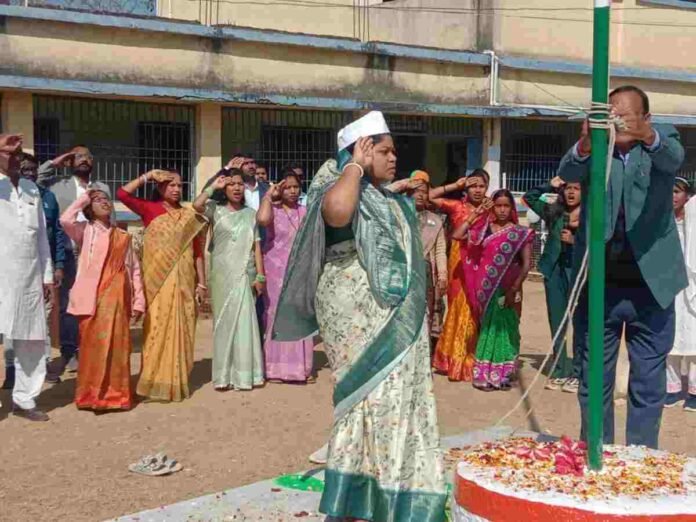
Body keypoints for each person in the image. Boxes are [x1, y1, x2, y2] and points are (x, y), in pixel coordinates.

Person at [273, 112, 447, 521]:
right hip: (352, 310)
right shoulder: (336, 186)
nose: (393, 159)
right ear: (361, 150)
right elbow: (336, 215)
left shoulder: (384, 199)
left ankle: (395, 490)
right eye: (383, 151)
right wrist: (353, 166)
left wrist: (386, 189)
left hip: (389, 313)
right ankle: (360, 500)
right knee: (365, 397)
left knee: (397, 400)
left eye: (394, 152)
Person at [558, 85, 686, 449]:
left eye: (627, 115)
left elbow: (673, 157)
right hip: (601, 285)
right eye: (613, 114)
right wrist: (586, 143)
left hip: (652, 285)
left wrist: (646, 134)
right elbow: (567, 169)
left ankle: (641, 457)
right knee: (594, 380)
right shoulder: (598, 148)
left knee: (647, 383)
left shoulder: (661, 141)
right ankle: (598, 453)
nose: (619, 121)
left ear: (646, 117)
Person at [117, 170, 206, 402]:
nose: (176, 189)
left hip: (185, 281)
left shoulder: (189, 216)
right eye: (170, 185)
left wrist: (202, 283)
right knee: (156, 328)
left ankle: (177, 381)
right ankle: (153, 381)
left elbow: (197, 252)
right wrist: (146, 176)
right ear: (160, 188)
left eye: (179, 185)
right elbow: (122, 194)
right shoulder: (150, 209)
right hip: (157, 282)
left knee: (183, 326)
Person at [61, 189, 145, 411]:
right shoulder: (85, 231)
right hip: (92, 298)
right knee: (92, 346)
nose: (104, 203)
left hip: (119, 297)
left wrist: (139, 300)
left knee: (118, 345)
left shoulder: (123, 236)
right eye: (98, 201)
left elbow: (135, 269)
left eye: (106, 199)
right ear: (89, 208)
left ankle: (117, 395)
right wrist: (84, 198)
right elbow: (65, 218)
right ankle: (91, 396)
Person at [38, 145, 112, 383]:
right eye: (78, 156)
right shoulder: (58, 186)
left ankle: (91, 347)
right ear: (71, 162)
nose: (84, 160)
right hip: (69, 253)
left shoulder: (101, 188)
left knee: (96, 300)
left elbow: (111, 219)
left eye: (88, 157)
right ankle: (70, 351)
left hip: (95, 253)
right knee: (68, 304)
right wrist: (58, 161)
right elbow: (38, 177)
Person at [453, 189, 534, 391]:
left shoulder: (520, 233)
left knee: (509, 329)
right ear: (493, 207)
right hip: (487, 290)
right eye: (498, 205)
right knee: (489, 329)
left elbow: (526, 265)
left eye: (507, 206)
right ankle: (483, 375)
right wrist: (477, 213)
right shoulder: (484, 229)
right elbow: (457, 234)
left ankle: (503, 374)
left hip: (510, 289)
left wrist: (513, 289)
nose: (502, 210)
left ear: (512, 208)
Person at [192, 171, 265, 391]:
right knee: (223, 324)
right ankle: (223, 376)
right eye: (231, 184)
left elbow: (257, 246)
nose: (236, 188)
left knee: (245, 323)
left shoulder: (252, 214)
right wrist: (212, 186)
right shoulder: (215, 210)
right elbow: (196, 206)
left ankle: (245, 376)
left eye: (240, 184)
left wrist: (261, 275)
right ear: (224, 188)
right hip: (222, 275)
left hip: (245, 273)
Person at [0, 134, 53, 421]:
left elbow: (42, 237)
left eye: (19, 154)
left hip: (30, 275)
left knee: (31, 339)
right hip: (1, 275)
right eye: (9, 153)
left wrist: (46, 277)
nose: (15, 158)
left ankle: (24, 399)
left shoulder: (33, 190)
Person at [2, 153, 66, 390]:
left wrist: (56, 267)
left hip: (39, 269)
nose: (28, 172)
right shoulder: (4, 193)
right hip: (9, 273)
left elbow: (54, 234)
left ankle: (44, 365)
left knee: (42, 320)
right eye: (24, 168)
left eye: (32, 169)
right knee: (11, 321)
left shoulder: (45, 196)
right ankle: (10, 369)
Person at [429, 170, 492, 381]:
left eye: (481, 186)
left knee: (477, 309)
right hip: (457, 265)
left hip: (481, 266)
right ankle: (452, 360)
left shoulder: (491, 209)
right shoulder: (457, 206)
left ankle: (473, 359)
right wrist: (455, 185)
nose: (477, 190)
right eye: (473, 185)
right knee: (458, 307)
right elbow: (430, 197)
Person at [523, 176, 582, 393]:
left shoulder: (591, 214)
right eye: (568, 188)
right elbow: (530, 198)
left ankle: (578, 373)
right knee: (557, 320)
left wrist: (575, 241)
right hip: (555, 271)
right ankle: (560, 370)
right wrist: (550, 184)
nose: (571, 192)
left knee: (580, 323)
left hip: (578, 272)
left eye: (576, 188)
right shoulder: (553, 211)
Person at [256, 171, 315, 383]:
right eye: (287, 187)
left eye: (295, 187)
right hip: (275, 270)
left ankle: (299, 369)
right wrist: (268, 197)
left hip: (300, 271)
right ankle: (274, 369)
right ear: (280, 187)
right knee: (274, 315)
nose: (292, 191)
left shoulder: (306, 211)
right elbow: (262, 220)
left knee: (299, 314)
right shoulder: (272, 209)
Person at [665, 177, 696, 411]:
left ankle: (694, 392)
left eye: (678, 191)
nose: (674, 196)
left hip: (693, 284)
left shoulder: (693, 220)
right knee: (670, 338)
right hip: (670, 284)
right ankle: (672, 388)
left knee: (694, 339)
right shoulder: (663, 221)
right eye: (671, 191)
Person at [411, 170, 448, 348]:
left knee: (427, 315)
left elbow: (440, 250)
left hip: (427, 277)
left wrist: (442, 276)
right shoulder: (399, 217)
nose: (420, 194)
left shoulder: (435, 220)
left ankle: (424, 353)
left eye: (424, 191)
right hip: (405, 276)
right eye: (416, 190)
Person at [203, 154, 268, 210]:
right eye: (246, 163)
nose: (251, 166)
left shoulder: (266, 188)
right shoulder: (232, 188)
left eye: (252, 163)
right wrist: (227, 169)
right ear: (239, 166)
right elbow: (207, 192)